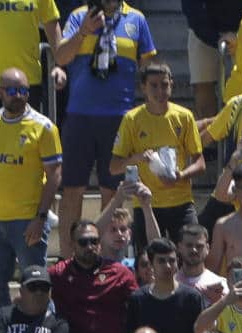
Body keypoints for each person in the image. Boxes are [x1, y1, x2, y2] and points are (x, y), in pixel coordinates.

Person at [53, 0, 159, 257]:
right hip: (80, 114)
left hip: (119, 117)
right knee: (72, 189)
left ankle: (109, 257)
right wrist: (84, 32)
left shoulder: (137, 19)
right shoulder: (79, 16)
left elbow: (149, 69)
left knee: (113, 192)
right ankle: (69, 259)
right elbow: (61, 56)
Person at [0, 67, 64, 298]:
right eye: (11, 90)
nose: (17, 95)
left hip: (28, 222)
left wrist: (40, 218)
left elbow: (55, 175)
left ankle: (39, 332)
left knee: (35, 287)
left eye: (22, 90)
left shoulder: (44, 127)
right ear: (0, 92)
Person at [110, 62, 206, 242]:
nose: (160, 91)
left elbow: (200, 163)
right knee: (148, 259)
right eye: (153, 85)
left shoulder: (184, 117)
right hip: (146, 203)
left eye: (164, 85)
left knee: (191, 255)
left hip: (182, 201)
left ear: (172, 85)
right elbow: (114, 167)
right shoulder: (132, 119)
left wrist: (181, 175)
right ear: (143, 88)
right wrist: (137, 158)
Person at [51, 219, 140, 333]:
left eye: (94, 241)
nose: (90, 246)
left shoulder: (121, 274)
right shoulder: (57, 274)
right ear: (72, 244)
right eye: (83, 242)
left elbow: (140, 310)